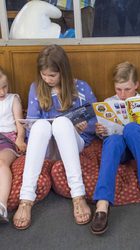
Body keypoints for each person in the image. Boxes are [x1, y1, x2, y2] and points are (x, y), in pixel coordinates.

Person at [13, 44, 97, 230]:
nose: (47, 79)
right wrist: (33, 127)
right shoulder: (36, 88)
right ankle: (26, 200)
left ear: (63, 72)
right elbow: (32, 126)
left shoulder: (81, 87)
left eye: (52, 75)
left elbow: (96, 119)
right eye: (44, 75)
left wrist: (82, 126)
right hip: (46, 147)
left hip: (74, 143)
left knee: (61, 123)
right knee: (41, 125)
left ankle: (78, 195)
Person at [91, 61, 140, 235]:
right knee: (112, 141)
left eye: (127, 89)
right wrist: (100, 132)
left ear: (136, 85)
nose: (123, 94)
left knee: (132, 128)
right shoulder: (109, 103)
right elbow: (105, 132)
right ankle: (102, 204)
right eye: (118, 89)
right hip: (121, 150)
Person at [0, 67, 27, 224]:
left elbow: (19, 122)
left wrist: (20, 139)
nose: (2, 92)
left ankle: (2, 206)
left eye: (5, 87)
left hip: (7, 138)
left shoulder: (13, 99)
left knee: (2, 163)